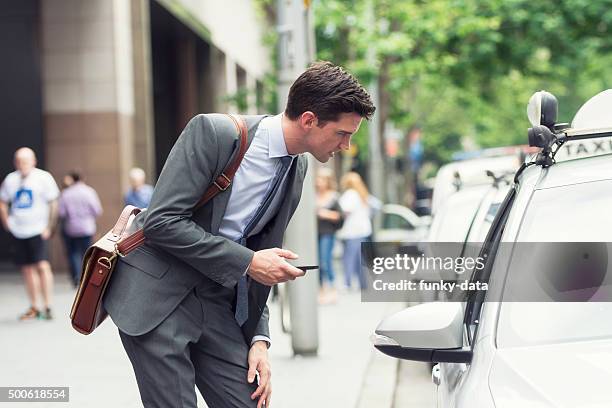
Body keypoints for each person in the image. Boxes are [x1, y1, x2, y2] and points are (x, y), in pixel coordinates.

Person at [103, 61, 375, 408]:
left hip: (217, 303)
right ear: (309, 120)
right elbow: (161, 221)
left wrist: (259, 339)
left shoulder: (298, 166)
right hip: (156, 298)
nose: (347, 146)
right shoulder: (215, 133)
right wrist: (247, 262)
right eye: (343, 134)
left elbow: (264, 253)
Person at [0, 148, 60, 320]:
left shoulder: (43, 177)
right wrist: (7, 223)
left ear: (33, 161)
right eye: (18, 161)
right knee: (27, 269)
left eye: (25, 161)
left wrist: (49, 226)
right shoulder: (11, 180)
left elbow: (53, 203)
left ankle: (47, 305)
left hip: (38, 230)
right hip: (19, 231)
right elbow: (3, 202)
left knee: (42, 265)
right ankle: (34, 306)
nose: (22, 164)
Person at [58, 171, 103, 287]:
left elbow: (62, 213)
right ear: (83, 178)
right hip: (87, 228)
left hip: (71, 228)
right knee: (87, 253)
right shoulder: (89, 192)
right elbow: (97, 210)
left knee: (73, 254)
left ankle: (76, 278)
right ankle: (87, 277)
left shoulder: (66, 193)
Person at [337, 172, 372, 290]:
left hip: (352, 231)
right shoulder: (362, 194)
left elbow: (345, 211)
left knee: (349, 258)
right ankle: (363, 284)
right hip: (363, 230)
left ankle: (347, 283)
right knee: (359, 259)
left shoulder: (350, 194)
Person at [315, 168, 342, 304]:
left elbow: (340, 216)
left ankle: (331, 288)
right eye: (318, 179)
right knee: (317, 262)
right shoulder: (313, 195)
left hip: (327, 232)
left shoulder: (333, 197)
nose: (319, 182)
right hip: (314, 233)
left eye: (322, 179)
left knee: (326, 260)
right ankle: (321, 290)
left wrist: (325, 214)